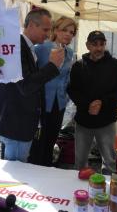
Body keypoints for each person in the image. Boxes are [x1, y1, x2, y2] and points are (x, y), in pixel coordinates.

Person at [0, 8, 64, 162]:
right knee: (16, 169)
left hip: (19, 121)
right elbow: (26, 85)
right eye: (45, 29)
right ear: (31, 25)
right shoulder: (16, 47)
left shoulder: (24, 47)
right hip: (16, 122)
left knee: (17, 167)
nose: (48, 34)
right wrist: (53, 66)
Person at [67, 30, 117, 174]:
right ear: (88, 45)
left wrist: (102, 103)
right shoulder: (78, 66)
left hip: (106, 122)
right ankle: (78, 191)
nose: (99, 48)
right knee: (80, 163)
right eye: (95, 44)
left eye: (102, 44)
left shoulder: (116, 66)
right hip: (83, 122)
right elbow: (72, 90)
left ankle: (107, 192)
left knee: (109, 163)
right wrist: (87, 105)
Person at [28, 16, 77, 166]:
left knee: (51, 140)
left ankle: (47, 168)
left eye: (71, 32)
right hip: (42, 103)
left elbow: (67, 79)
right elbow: (33, 76)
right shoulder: (41, 48)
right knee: (38, 141)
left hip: (59, 104)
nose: (68, 34)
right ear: (55, 30)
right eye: (64, 30)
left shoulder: (70, 53)